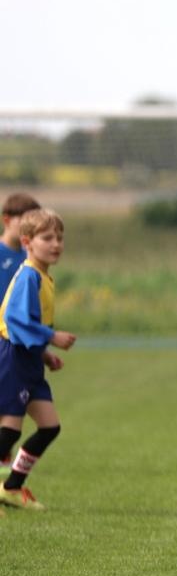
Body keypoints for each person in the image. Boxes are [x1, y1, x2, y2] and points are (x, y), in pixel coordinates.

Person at [0, 208, 77, 512]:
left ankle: (11, 488)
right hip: (12, 360)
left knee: (49, 426)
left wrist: (45, 355)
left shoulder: (43, 276)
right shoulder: (29, 275)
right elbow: (14, 320)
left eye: (59, 238)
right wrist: (51, 337)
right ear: (27, 242)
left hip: (30, 361)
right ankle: (10, 487)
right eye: (47, 238)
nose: (56, 244)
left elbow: (25, 322)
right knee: (9, 430)